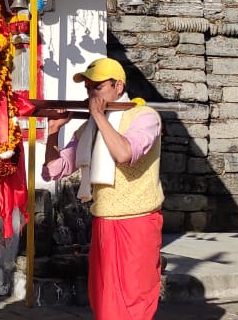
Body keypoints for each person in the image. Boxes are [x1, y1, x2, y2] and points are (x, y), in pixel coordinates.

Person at [41, 57, 163, 320]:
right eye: (88, 88)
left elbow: (124, 153)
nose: (90, 93)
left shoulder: (144, 117)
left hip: (138, 222)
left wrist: (97, 115)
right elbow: (52, 171)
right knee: (105, 299)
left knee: (135, 297)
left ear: (118, 86)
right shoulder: (90, 128)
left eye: (97, 87)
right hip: (104, 222)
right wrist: (53, 131)